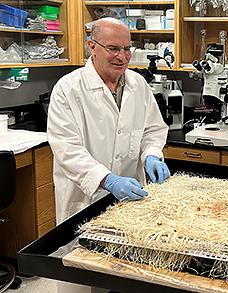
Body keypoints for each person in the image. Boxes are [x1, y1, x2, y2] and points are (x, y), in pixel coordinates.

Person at [48, 17, 170, 293]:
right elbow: (68, 149)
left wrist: (151, 154)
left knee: (122, 276)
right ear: (92, 46)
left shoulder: (138, 85)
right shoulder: (68, 90)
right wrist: (107, 179)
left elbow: (153, 129)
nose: (122, 56)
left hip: (129, 199)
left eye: (127, 49)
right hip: (84, 196)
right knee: (78, 279)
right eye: (113, 48)